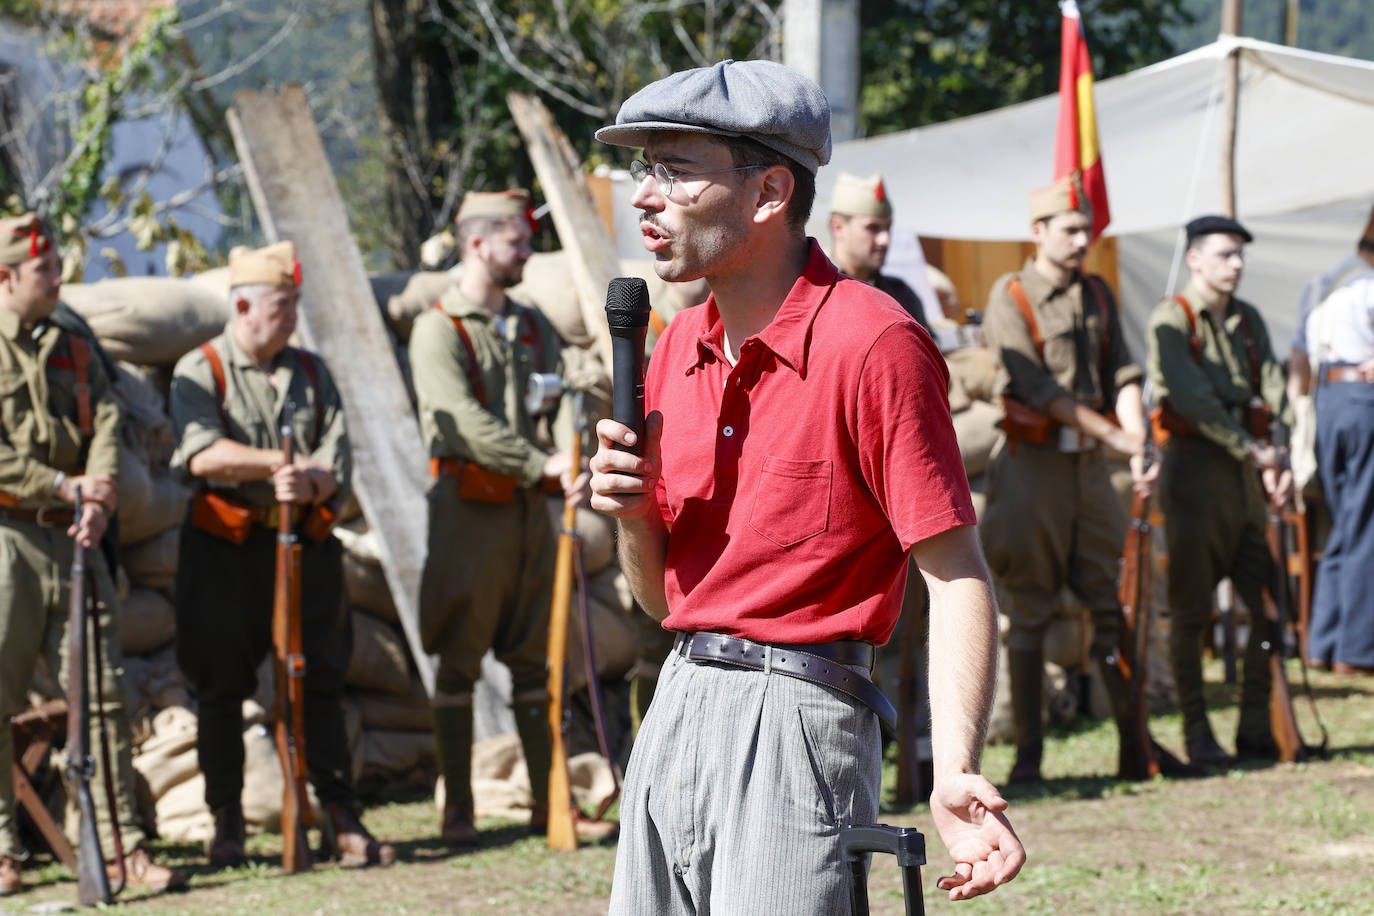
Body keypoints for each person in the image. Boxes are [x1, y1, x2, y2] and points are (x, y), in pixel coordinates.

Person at [589, 59, 1024, 913]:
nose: (645, 196)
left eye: (675, 169)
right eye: (645, 169)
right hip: (677, 698)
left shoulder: (874, 344)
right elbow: (657, 601)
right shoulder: (673, 349)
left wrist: (957, 767)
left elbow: (957, 571)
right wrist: (636, 517)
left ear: (768, 192)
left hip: (799, 715)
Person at [170, 241, 394, 867]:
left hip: (306, 549)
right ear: (242, 305)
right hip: (225, 551)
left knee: (317, 678)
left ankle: (340, 815)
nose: (292, 314)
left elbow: (339, 463)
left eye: (296, 301)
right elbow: (199, 455)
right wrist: (282, 466)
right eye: (281, 303)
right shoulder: (202, 370)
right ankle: (228, 823)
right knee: (219, 688)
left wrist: (313, 482)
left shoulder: (314, 373)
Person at [409, 190, 602, 846]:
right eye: (516, 242)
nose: (525, 253)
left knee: (536, 660)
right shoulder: (439, 326)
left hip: (528, 514)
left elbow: (568, 385)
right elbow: (458, 418)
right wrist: (539, 462)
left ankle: (549, 804)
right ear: (478, 244)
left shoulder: (529, 324)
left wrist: (573, 446)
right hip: (469, 510)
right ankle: (457, 808)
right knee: (458, 660)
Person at [0, 213, 183, 895]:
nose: (58, 279)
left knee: (102, 697)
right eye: (44, 270)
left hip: (79, 533)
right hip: (9, 536)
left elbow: (108, 416)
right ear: (7, 276)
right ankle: (3, 850)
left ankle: (118, 845)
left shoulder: (74, 340)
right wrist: (57, 484)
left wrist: (101, 491)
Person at [979, 178, 1159, 784]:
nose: (1083, 240)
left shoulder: (1099, 294)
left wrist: (1138, 441)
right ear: (1039, 232)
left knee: (1114, 601)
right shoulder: (1011, 295)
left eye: (1087, 230)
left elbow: (1123, 372)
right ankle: (1030, 758)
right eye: (1071, 230)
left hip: (1092, 471)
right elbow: (1041, 392)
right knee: (1028, 610)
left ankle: (1137, 746)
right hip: (1035, 468)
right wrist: (1119, 438)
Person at [1146, 215, 1292, 765]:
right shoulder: (1174, 317)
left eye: (1240, 256)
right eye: (1225, 254)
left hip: (1249, 479)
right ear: (1195, 259)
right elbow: (1192, 400)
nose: (1236, 265)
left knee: (1267, 607)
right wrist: (1256, 450)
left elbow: (1273, 388)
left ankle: (1258, 730)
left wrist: (1278, 454)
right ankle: (1198, 733)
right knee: (1191, 613)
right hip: (1196, 475)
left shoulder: (1249, 320)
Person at [1302, 227, 1374, 674]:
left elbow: (1299, 353)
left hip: (1328, 399)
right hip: (1363, 400)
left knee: (1346, 521)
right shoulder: (1365, 284)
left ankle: (1323, 640)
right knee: (1365, 523)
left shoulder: (1323, 283)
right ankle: (1356, 649)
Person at [828, 170, 930, 331]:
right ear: (838, 227)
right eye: (873, 228)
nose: (885, 240)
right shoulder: (813, 289)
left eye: (888, 228)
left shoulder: (901, 295)